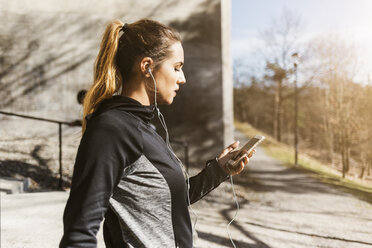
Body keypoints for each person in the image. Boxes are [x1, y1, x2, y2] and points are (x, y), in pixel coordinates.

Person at [59, 19, 254, 248]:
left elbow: (172, 199)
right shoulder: (111, 130)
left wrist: (219, 170)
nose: (183, 78)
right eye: (177, 67)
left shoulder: (146, 128)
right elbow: (78, 234)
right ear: (147, 66)